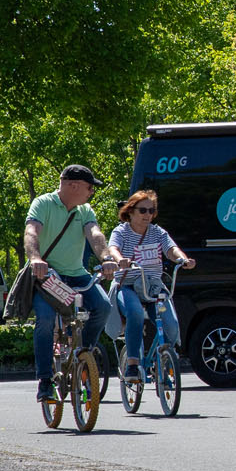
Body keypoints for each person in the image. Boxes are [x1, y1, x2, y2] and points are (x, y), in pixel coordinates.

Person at [24, 164, 124, 401]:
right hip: (47, 276)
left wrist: (107, 258)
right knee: (46, 320)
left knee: (102, 307)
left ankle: (83, 354)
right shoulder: (43, 203)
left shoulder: (85, 210)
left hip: (76, 274)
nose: (91, 192)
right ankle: (45, 380)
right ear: (73, 185)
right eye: (90, 188)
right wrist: (36, 259)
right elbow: (31, 232)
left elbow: (96, 235)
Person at [108, 190, 195, 382]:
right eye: (143, 210)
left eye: (151, 210)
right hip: (128, 285)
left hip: (153, 287)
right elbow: (113, 248)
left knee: (170, 324)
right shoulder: (121, 231)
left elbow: (171, 249)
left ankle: (162, 360)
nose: (148, 214)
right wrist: (120, 259)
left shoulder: (157, 232)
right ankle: (132, 365)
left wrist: (183, 259)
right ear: (130, 211)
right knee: (135, 313)